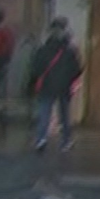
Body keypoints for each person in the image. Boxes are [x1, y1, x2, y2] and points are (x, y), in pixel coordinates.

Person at [27, 17, 83, 153]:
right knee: (64, 114)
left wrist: (34, 82)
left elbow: (35, 68)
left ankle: (41, 139)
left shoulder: (43, 49)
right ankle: (66, 141)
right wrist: (69, 80)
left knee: (44, 113)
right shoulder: (70, 51)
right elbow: (77, 69)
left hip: (46, 86)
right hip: (64, 87)